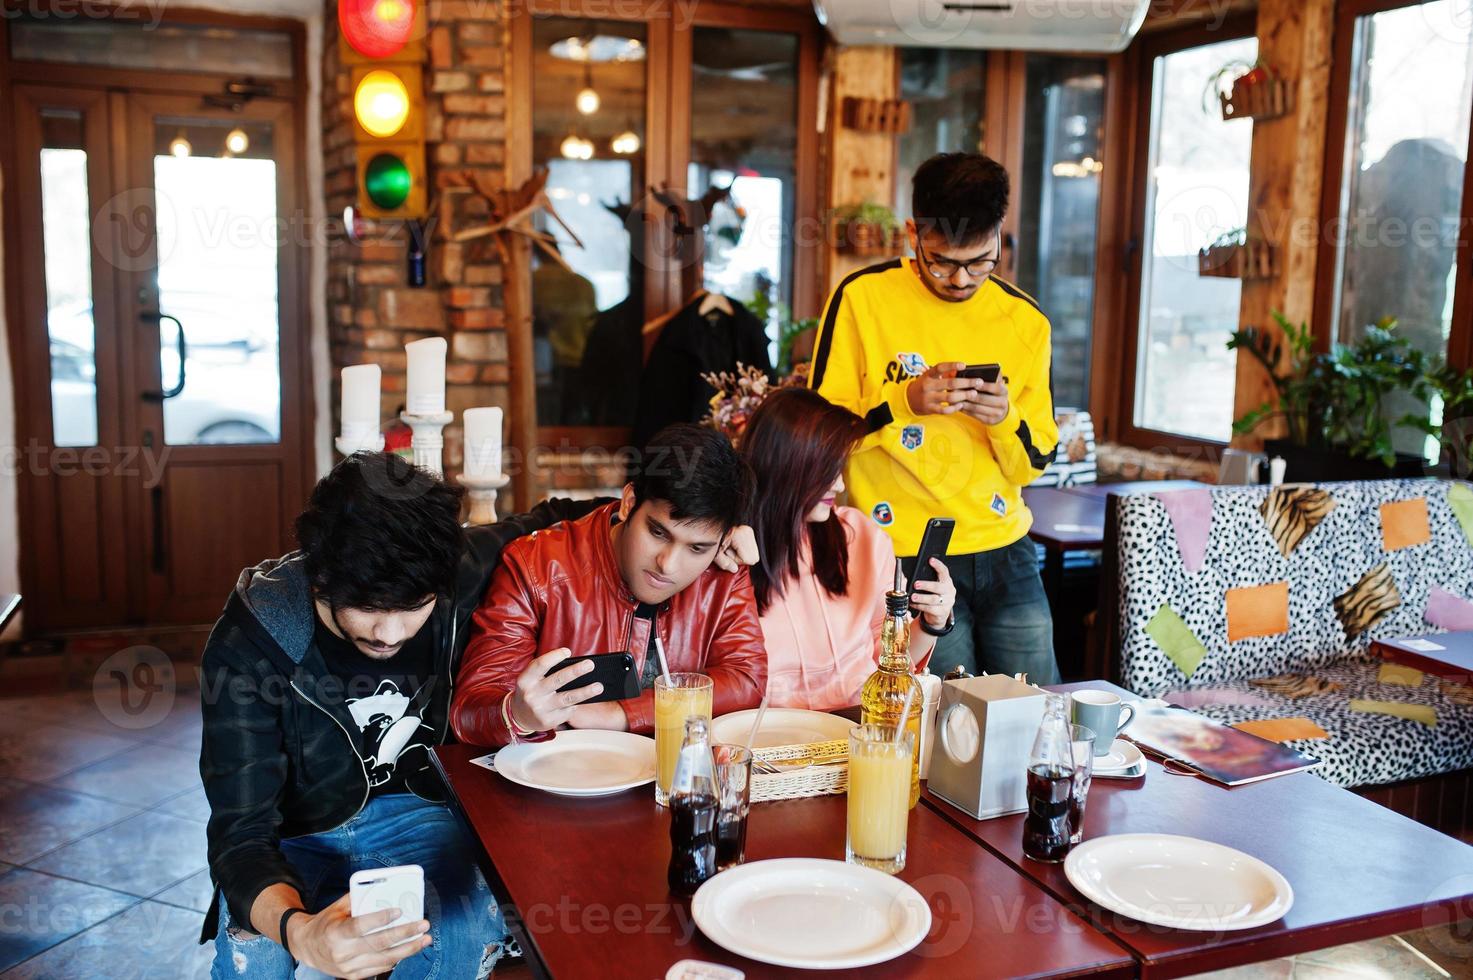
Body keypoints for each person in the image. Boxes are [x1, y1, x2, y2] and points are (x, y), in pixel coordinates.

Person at [198, 451, 602, 980]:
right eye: (367, 608)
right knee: (258, 961)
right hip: (295, 835)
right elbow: (241, 837)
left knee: (460, 935)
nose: (389, 634)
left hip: (423, 813)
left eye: (412, 607)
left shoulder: (452, 564)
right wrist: (302, 932)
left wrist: (726, 527)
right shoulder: (251, 639)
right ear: (318, 573)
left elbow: (570, 517)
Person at [809, 151, 1061, 682]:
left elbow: (1034, 461)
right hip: (901, 553)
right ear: (911, 234)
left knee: (1039, 716)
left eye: (979, 262)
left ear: (999, 237)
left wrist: (1004, 419)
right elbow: (813, 435)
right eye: (942, 260)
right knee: (940, 729)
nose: (959, 279)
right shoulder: (862, 300)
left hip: (1007, 549)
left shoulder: (1025, 321)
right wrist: (905, 402)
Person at [451, 424, 766, 745]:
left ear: (724, 539)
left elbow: (747, 680)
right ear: (629, 502)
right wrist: (516, 714)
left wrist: (623, 714)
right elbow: (470, 710)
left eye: (696, 548)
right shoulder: (537, 564)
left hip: (672, 781)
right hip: (557, 782)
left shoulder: (724, 567)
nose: (668, 564)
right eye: (657, 532)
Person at [742, 388, 958, 710]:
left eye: (839, 469)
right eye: (827, 470)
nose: (840, 485)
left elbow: (889, 661)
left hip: (862, 729)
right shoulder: (732, 553)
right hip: (773, 740)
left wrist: (931, 622)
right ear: (788, 468)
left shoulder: (860, 537)